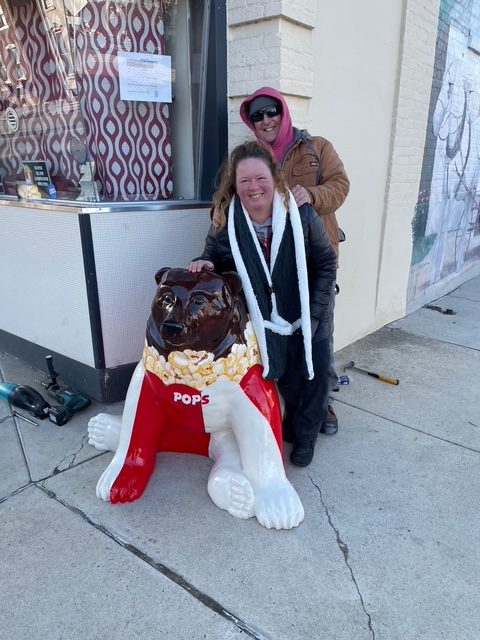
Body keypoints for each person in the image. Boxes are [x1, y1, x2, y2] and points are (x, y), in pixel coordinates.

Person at [189, 140, 337, 467]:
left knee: (312, 378)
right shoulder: (227, 219)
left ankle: (306, 436)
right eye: (244, 181)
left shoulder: (301, 212)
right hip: (265, 316)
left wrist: (313, 317)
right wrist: (205, 263)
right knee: (282, 376)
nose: (254, 187)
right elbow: (211, 253)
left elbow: (326, 262)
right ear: (235, 185)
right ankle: (290, 425)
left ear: (274, 177)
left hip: (309, 308)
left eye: (260, 178)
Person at [237, 87, 350, 437]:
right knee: (280, 342)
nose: (266, 120)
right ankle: (287, 406)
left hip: (315, 263)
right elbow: (228, 197)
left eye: (271, 112)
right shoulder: (249, 158)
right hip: (272, 270)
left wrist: (311, 195)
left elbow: (340, 185)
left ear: (283, 112)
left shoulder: (316, 147)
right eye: (257, 115)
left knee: (317, 340)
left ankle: (321, 404)